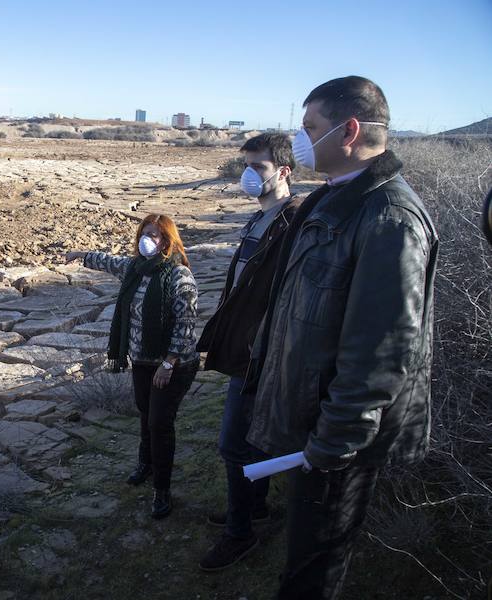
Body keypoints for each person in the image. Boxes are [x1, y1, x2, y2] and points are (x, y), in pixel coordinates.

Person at [245, 76, 439, 599]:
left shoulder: (387, 216)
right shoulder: (331, 200)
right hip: (311, 422)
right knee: (303, 551)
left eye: (310, 128)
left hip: (337, 439)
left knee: (314, 570)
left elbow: (383, 351)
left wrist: (333, 442)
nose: (301, 139)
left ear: (349, 130)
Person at [195, 133, 302, 571]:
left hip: (265, 354)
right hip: (247, 349)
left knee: (233, 444)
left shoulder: (295, 221)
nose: (248, 175)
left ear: (283, 172)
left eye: (257, 167)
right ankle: (254, 505)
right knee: (250, 440)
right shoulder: (260, 219)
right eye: (245, 166)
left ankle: (240, 534)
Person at [66, 214, 199, 519]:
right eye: (145, 233)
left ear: (168, 240)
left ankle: (162, 490)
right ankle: (145, 464)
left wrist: (168, 363)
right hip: (141, 360)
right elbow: (108, 262)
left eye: (156, 235)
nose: (148, 239)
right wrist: (81, 255)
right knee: (144, 413)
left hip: (173, 364)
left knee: (159, 424)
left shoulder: (179, 276)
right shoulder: (135, 268)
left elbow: (186, 324)